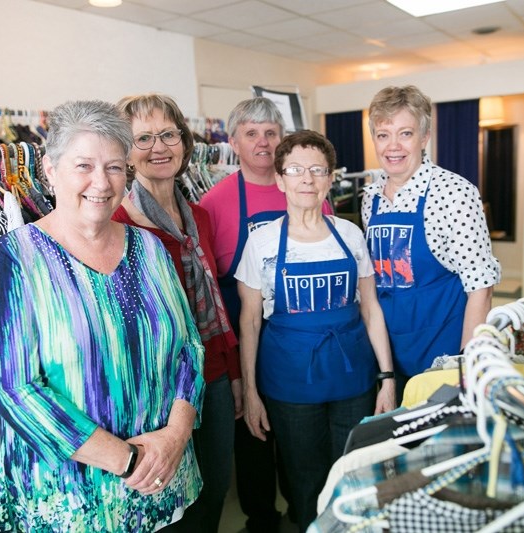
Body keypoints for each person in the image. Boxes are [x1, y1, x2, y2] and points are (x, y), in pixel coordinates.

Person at [0, 100, 205, 532]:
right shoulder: (13, 257)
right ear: (49, 169)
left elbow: (189, 349)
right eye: (84, 165)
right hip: (70, 503)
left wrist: (174, 438)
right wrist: (130, 461)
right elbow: (17, 390)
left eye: (115, 167)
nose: (101, 182)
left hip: (165, 486)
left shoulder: (149, 248)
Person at [236, 130, 396, 532]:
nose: (306, 179)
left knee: (352, 470)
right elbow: (250, 321)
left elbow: (371, 308)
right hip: (289, 381)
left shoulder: (351, 235)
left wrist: (388, 378)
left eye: (317, 170)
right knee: (304, 478)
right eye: (295, 169)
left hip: (352, 375)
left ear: (329, 179)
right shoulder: (261, 242)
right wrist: (252, 393)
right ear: (280, 179)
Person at [112, 93, 240, 533]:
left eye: (168, 134)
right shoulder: (119, 224)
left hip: (214, 373)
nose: (158, 147)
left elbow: (215, 302)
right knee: (170, 502)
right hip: (160, 388)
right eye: (142, 138)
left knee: (216, 485)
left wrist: (234, 375)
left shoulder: (199, 217)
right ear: (124, 152)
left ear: (184, 143)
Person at [201, 97, 327, 532]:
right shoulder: (214, 202)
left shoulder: (308, 186)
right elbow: (212, 285)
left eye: (271, 133)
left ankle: (303, 509)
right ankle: (261, 517)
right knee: (252, 436)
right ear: (232, 141)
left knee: (300, 436)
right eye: (251, 133)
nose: (262, 142)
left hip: (302, 337)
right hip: (247, 336)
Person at [361, 85, 501, 400]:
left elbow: (481, 289)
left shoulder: (453, 193)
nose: (393, 146)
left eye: (405, 134)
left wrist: (463, 369)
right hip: (389, 355)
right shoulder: (371, 198)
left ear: (424, 138)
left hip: (443, 356)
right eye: (383, 135)